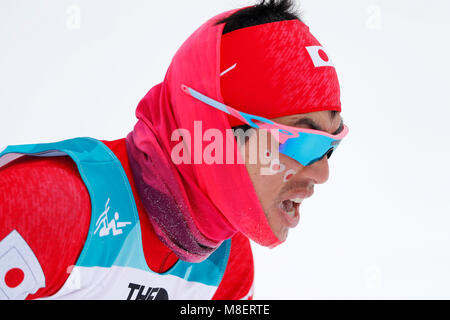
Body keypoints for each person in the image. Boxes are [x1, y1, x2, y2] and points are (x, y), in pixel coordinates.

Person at [0, 0, 348, 300]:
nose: (323, 172)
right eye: (304, 141)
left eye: (331, 145)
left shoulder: (227, 265)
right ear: (216, 128)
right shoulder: (50, 204)